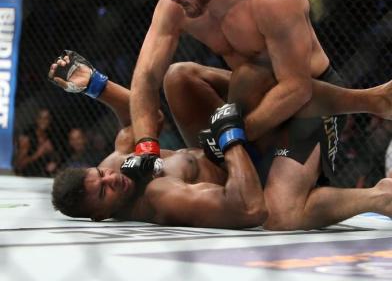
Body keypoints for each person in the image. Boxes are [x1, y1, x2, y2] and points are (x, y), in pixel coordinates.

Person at [128, 0, 388, 229]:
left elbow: (296, 88)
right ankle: (227, 170)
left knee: (280, 216)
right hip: (249, 98)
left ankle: (379, 196)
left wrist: (237, 135)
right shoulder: (173, 6)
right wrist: (145, 146)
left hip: (308, 108)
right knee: (179, 77)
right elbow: (146, 76)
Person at [50, 51, 392, 228]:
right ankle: (379, 197)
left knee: (178, 76)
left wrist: (98, 87)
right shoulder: (161, 198)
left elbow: (145, 118)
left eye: (101, 174)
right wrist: (230, 137)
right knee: (280, 217)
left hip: (241, 140)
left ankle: (307, 96)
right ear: (99, 216)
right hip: (270, 162)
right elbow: (251, 208)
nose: (112, 179)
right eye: (103, 191)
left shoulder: (114, 168)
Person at [14, 108, 60, 177]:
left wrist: (54, 162)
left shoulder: (52, 136)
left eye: (46, 118)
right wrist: (38, 154)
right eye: (41, 118)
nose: (43, 121)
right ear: (37, 120)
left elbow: (58, 156)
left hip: (45, 175)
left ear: (50, 121)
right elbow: (19, 164)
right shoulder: (27, 138)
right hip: (27, 176)